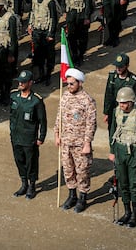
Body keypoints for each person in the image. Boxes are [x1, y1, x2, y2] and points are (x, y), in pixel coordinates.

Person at [54, 68, 97, 213]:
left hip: (80, 144)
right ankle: (72, 195)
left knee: (82, 171)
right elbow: (59, 116)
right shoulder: (65, 96)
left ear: (79, 83)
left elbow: (91, 124)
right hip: (66, 142)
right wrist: (57, 134)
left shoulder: (87, 100)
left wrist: (87, 143)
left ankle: (82, 198)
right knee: (68, 170)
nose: (69, 86)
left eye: (72, 84)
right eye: (68, 83)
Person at [109, 87, 136, 227]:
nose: (122, 105)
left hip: (134, 152)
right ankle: (126, 212)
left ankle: (135, 214)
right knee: (123, 183)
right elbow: (112, 132)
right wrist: (112, 151)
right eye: (120, 102)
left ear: (132, 101)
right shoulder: (116, 112)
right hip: (120, 151)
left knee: (134, 184)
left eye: (125, 102)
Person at [10, 70, 47, 200]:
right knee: (19, 161)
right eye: (19, 81)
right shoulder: (14, 96)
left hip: (29, 138)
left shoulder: (36, 101)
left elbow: (43, 121)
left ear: (30, 83)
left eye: (23, 82)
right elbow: (11, 116)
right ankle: (24, 183)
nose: (20, 83)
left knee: (31, 162)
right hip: (16, 137)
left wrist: (41, 137)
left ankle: (32, 185)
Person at [27, 0, 58, 85]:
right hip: (37, 30)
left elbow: (53, 18)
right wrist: (30, 24)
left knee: (49, 55)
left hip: (46, 31)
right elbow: (32, 11)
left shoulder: (50, 1)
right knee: (38, 54)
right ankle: (40, 74)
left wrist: (51, 33)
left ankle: (48, 75)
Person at [65, 0, 93, 67]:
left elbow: (89, 1)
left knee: (82, 37)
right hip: (71, 13)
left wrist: (87, 17)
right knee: (71, 37)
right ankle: (74, 56)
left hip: (82, 14)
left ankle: (81, 54)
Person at [103, 53, 136, 132]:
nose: (118, 69)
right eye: (117, 66)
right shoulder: (112, 76)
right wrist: (106, 112)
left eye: (121, 67)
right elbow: (108, 95)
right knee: (111, 131)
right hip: (113, 110)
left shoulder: (133, 80)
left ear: (127, 66)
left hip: (126, 111)